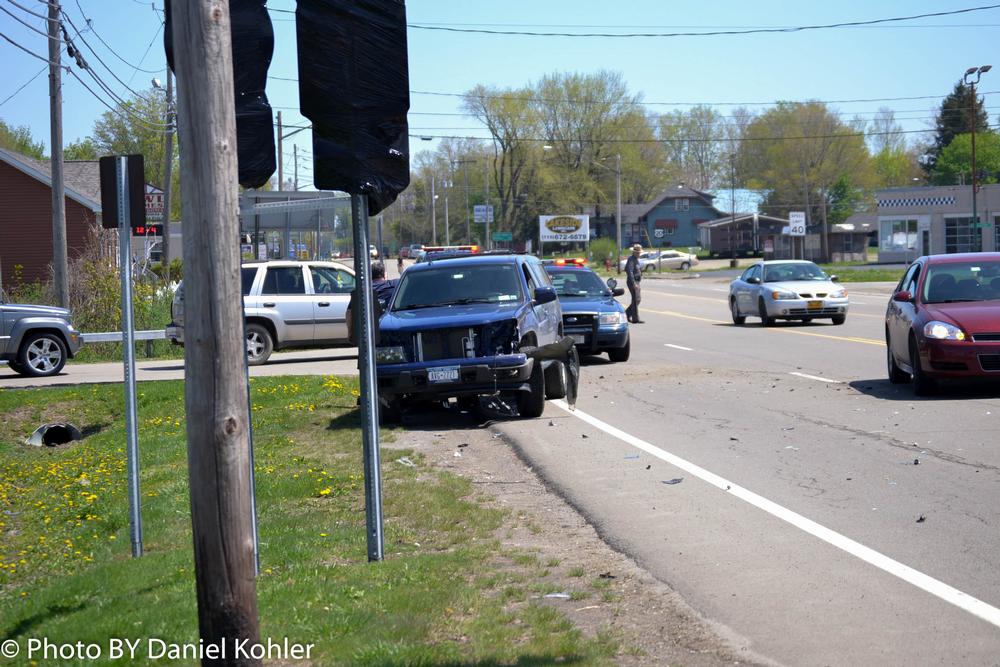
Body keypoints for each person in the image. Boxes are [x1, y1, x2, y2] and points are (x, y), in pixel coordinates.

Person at [625, 243, 644, 323]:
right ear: (634, 252)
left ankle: (626, 314)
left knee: (637, 299)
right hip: (632, 282)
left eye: (639, 253)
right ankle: (635, 319)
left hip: (637, 281)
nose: (639, 254)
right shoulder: (631, 259)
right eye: (638, 253)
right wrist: (634, 283)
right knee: (636, 299)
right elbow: (629, 271)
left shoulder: (636, 259)